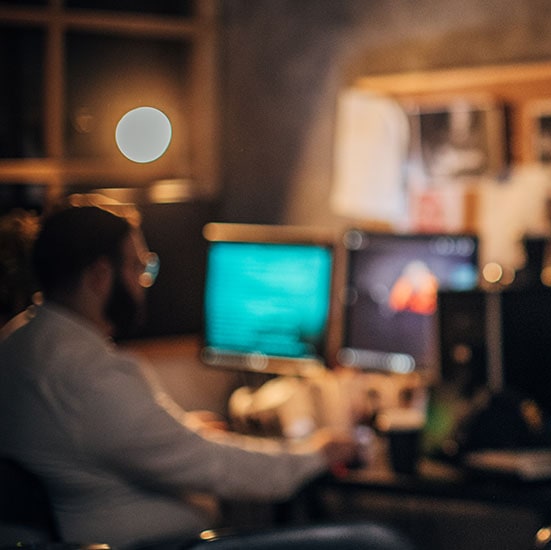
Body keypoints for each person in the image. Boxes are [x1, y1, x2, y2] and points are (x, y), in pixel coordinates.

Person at [0, 205, 358, 549]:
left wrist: (182, 430)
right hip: (156, 545)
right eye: (138, 267)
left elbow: (109, 437)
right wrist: (314, 455)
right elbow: (217, 467)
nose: (144, 284)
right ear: (99, 277)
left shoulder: (19, 340)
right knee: (373, 542)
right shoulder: (89, 375)